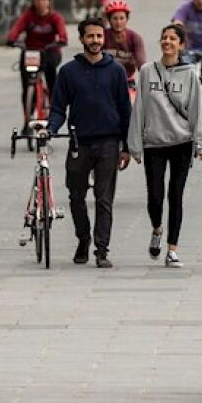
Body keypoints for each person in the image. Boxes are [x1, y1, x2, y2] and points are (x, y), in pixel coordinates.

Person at [47, 18, 133, 268]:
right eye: (90, 36)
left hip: (109, 142)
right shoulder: (68, 72)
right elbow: (58, 107)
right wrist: (51, 129)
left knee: (104, 198)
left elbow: (125, 110)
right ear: (81, 39)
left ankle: (102, 250)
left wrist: (127, 147)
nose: (95, 41)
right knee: (76, 196)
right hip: (79, 142)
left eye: (99, 36)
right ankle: (83, 239)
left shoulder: (116, 70)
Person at [128, 24, 202, 268]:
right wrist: (134, 144)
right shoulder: (147, 71)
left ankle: (173, 249)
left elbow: (197, 110)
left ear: (181, 45)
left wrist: (201, 144)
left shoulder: (190, 74)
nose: (168, 42)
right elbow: (139, 108)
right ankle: (157, 228)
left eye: (173, 39)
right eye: (164, 38)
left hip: (181, 142)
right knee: (155, 195)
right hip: (154, 142)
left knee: (175, 195)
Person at [6, 0, 69, 112]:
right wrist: (11, 39)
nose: (40, 2)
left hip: (50, 50)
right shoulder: (28, 16)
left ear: (49, 2)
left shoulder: (55, 17)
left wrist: (61, 40)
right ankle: (28, 112)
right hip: (31, 51)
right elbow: (17, 28)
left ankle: (54, 104)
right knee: (26, 82)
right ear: (33, 1)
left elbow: (62, 33)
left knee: (51, 74)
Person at [102, 0, 147, 90]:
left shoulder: (135, 38)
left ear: (127, 19)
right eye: (115, 18)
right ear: (109, 19)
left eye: (122, 18)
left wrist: (148, 80)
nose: (118, 22)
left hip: (127, 82)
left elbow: (141, 63)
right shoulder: (102, 36)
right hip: (104, 81)